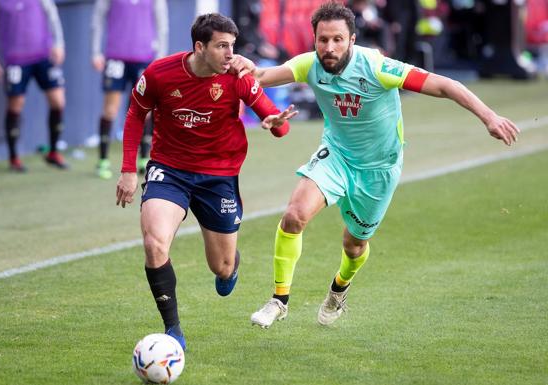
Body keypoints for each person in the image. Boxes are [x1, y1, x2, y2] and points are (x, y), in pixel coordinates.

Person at [231, 2, 520, 328]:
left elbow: (444, 85)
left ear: (352, 39)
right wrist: (242, 66)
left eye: (338, 39)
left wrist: (490, 117)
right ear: (314, 39)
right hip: (336, 156)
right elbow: (260, 77)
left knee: (353, 245)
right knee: (294, 216)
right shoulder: (308, 65)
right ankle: (278, 301)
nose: (329, 47)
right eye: (323, 39)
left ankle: (339, 288)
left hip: (379, 171)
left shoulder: (378, 67)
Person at [114, 13, 298, 350]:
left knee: (223, 268)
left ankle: (230, 267)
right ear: (200, 47)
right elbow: (135, 114)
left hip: (219, 175)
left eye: (233, 46)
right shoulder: (159, 73)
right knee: (155, 244)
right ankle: (173, 331)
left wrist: (274, 123)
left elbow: (280, 125)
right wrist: (128, 169)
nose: (231, 54)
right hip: (169, 169)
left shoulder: (238, 76)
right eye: (222, 46)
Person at [0, 0, 68, 172]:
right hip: (16, 60)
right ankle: (14, 158)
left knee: (58, 101)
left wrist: (59, 43)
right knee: (16, 104)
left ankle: (54, 151)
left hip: (43, 55)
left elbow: (52, 15)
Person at [91, 0, 169, 179]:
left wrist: (160, 56)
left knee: (145, 110)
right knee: (110, 110)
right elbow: (97, 18)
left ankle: (143, 158)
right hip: (116, 58)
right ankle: (103, 159)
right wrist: (96, 52)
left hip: (144, 58)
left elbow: (162, 23)